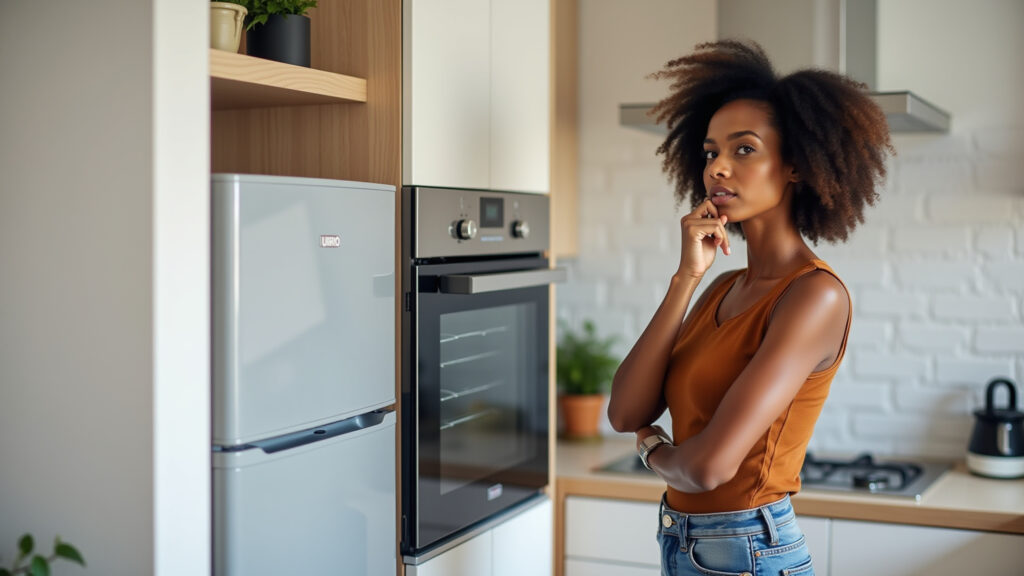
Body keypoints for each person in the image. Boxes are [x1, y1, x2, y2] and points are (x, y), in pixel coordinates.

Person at [606, 40, 893, 576]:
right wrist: (687, 276)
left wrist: (651, 450)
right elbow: (625, 411)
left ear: (796, 167)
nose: (718, 168)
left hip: (749, 550)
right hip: (684, 540)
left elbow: (709, 467)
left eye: (744, 149)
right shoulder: (722, 288)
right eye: (711, 152)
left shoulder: (814, 296)